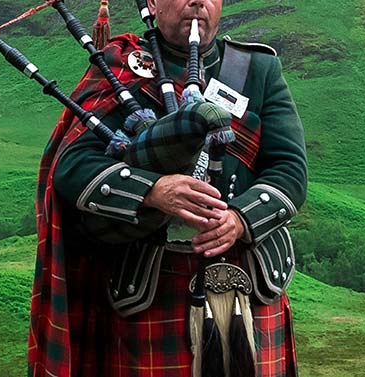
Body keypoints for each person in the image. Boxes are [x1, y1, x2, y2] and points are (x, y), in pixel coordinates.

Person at [26, 0, 307, 376]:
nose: (197, 2)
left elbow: (289, 170)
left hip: (251, 283)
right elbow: (73, 168)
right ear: (154, 4)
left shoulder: (258, 70)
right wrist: (154, 191)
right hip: (151, 287)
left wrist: (240, 219)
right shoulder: (121, 67)